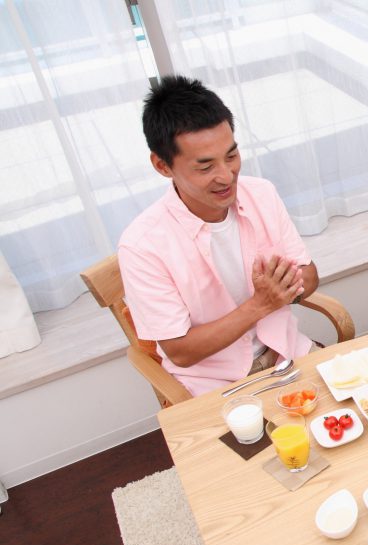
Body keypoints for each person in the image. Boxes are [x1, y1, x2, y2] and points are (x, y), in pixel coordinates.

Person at [119, 75, 320, 396]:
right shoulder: (142, 245)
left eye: (231, 156)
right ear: (162, 165)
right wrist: (261, 304)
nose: (226, 176)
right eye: (205, 166)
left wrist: (283, 292)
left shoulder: (261, 194)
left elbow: (309, 277)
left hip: (289, 355)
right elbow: (180, 351)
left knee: (366, 421)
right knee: (272, 446)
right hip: (215, 388)